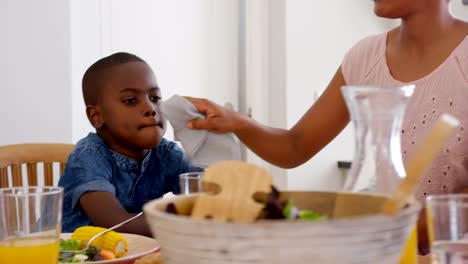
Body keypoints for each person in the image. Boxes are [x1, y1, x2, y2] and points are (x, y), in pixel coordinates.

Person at [184, 0, 468, 253]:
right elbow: (294, 147)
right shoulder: (366, 56)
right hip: (383, 248)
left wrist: (427, 223)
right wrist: (238, 123)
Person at [59, 52, 202, 236]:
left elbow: (211, 200)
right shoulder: (88, 156)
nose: (151, 109)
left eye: (155, 98)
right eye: (131, 101)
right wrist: (183, 222)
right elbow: (116, 224)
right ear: (97, 117)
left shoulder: (166, 154)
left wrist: (206, 146)